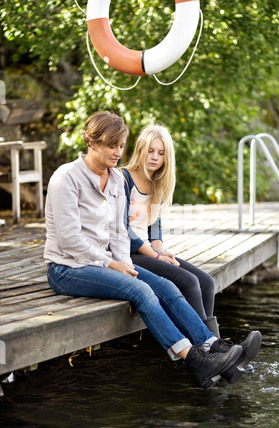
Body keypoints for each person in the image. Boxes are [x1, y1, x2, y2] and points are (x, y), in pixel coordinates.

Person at [44, 111, 260, 390]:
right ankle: (195, 360)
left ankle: (214, 347)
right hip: (67, 268)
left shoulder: (114, 181)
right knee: (142, 291)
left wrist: (125, 264)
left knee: (167, 286)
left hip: (102, 263)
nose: (118, 153)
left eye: (121, 146)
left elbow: (119, 234)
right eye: (112, 146)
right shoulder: (67, 177)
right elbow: (70, 240)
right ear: (92, 142)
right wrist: (113, 265)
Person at [122, 123, 261, 379]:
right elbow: (123, 231)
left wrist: (162, 250)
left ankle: (221, 359)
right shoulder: (124, 179)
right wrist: (155, 256)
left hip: (148, 252)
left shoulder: (155, 184)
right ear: (141, 149)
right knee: (188, 281)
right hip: (126, 254)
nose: (155, 157)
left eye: (161, 153)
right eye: (151, 151)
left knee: (206, 282)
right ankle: (209, 357)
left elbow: (155, 232)